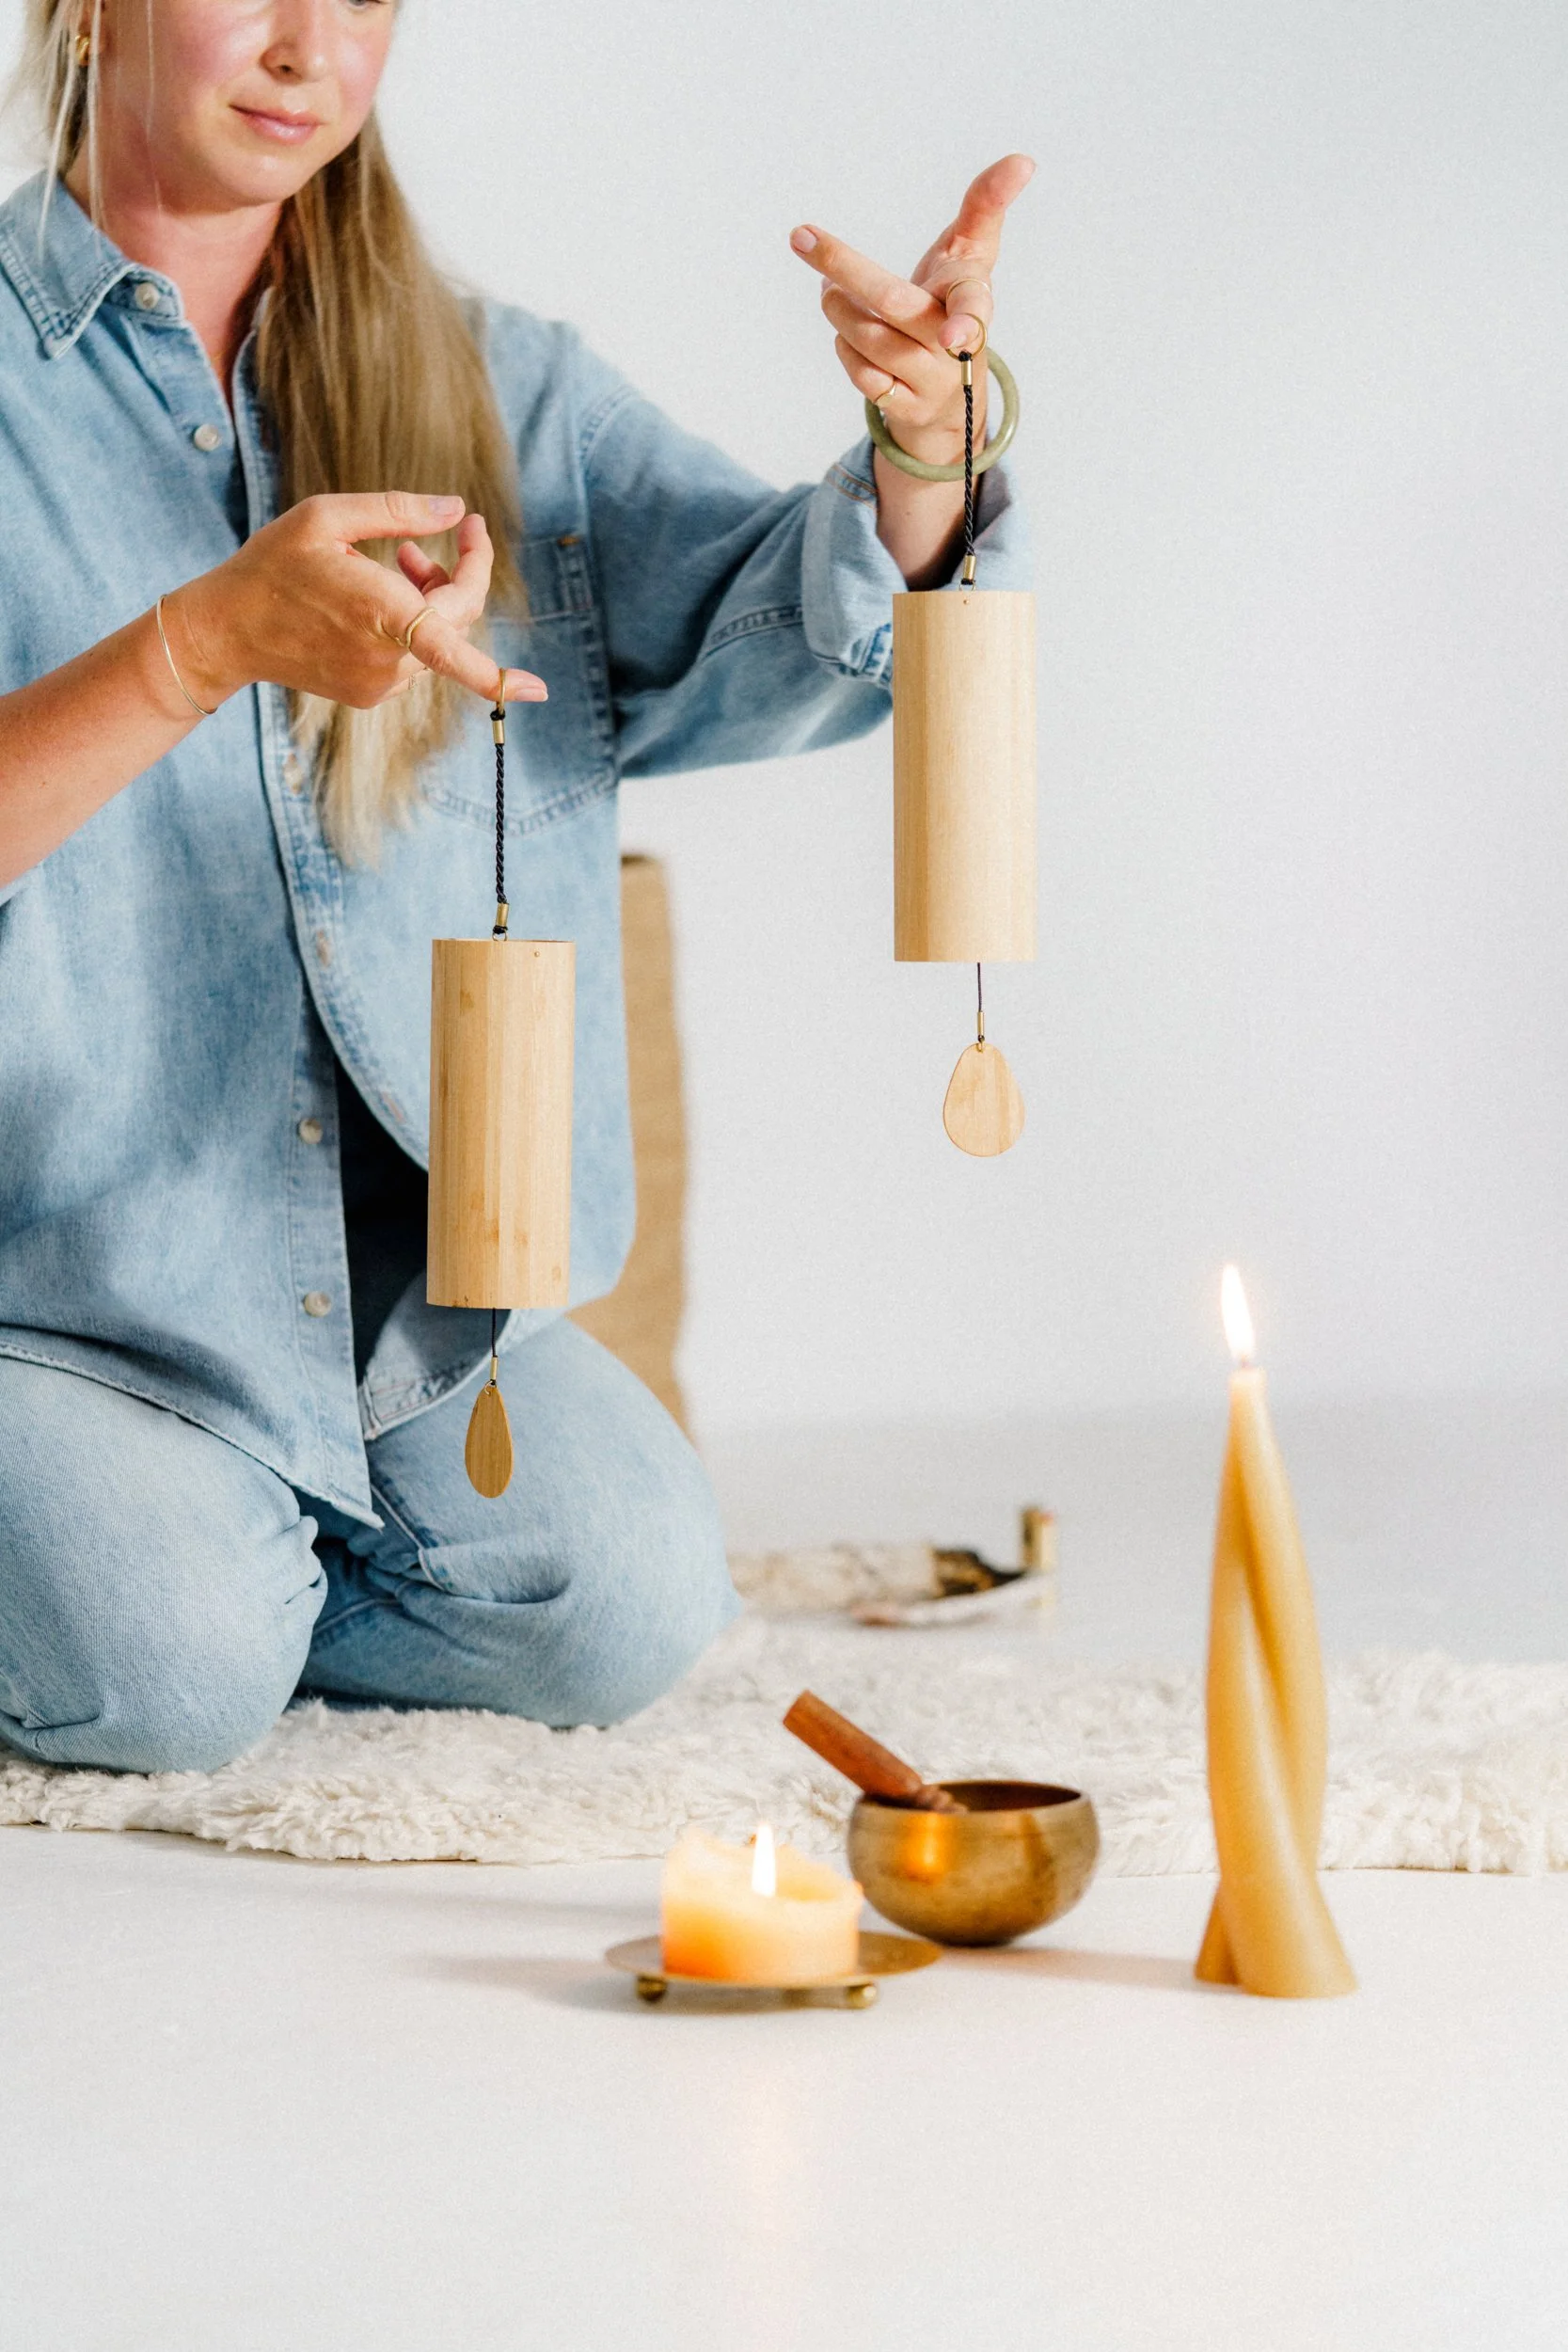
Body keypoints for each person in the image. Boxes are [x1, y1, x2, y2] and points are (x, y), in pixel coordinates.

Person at [0, 1, 1032, 1773]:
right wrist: (194, 649)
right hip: (53, 1290)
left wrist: (920, 449)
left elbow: (771, 634)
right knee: (164, 1671)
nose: (306, 46)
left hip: (404, 1309)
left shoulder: (503, 384)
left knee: (626, 1600)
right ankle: (171, 1574)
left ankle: (220, 1559)